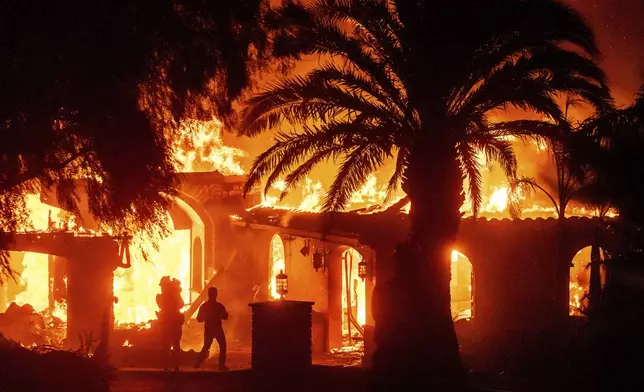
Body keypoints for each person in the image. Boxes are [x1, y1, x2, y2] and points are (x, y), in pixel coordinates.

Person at [194, 287, 228, 370]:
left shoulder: (204, 306)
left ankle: (197, 364)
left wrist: (205, 317)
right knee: (222, 346)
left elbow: (199, 319)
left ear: (208, 295)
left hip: (209, 329)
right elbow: (225, 316)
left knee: (206, 347)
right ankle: (221, 365)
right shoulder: (219, 306)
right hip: (217, 329)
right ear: (216, 295)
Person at [156, 276, 185, 371]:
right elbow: (181, 304)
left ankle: (167, 366)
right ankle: (175, 365)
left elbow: (161, 305)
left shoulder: (160, 297)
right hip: (175, 322)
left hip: (166, 323)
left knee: (166, 345)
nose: (161, 288)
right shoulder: (174, 295)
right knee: (175, 344)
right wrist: (176, 291)